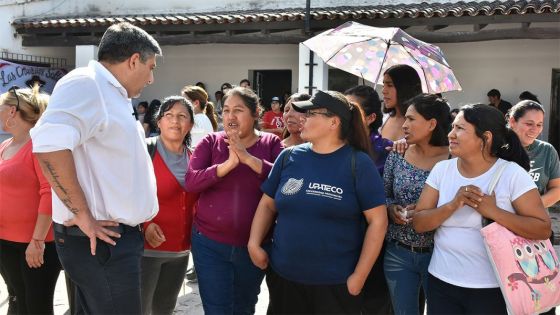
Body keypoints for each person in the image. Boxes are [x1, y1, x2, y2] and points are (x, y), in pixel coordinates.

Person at [30, 22, 161, 314]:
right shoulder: (88, 84)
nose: (151, 78)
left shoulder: (111, 92)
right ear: (133, 60)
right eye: (150, 67)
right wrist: (82, 215)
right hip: (100, 241)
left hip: (109, 240)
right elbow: (48, 146)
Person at [248, 90, 388, 314]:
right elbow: (267, 204)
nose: (302, 118)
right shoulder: (288, 157)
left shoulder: (359, 163)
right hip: (284, 279)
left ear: (334, 122)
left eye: (311, 113)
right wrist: (253, 243)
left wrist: (359, 277)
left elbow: (378, 222)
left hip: (335, 286)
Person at [413, 104, 551, 314]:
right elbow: (419, 223)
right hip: (441, 283)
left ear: (485, 138)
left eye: (460, 128)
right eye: (452, 127)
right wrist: (453, 205)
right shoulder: (442, 170)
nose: (451, 134)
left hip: (494, 288)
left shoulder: (512, 174)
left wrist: (493, 212)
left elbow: (542, 228)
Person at [185, 87, 283, 314]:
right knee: (217, 309)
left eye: (238, 110)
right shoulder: (211, 142)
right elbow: (191, 182)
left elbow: (284, 182)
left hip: (255, 244)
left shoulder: (271, 144)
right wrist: (227, 165)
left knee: (244, 307)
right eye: (226, 110)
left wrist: (247, 158)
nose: (230, 117)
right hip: (210, 244)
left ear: (256, 113)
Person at [383, 94, 451, 315]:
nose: (404, 125)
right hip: (398, 252)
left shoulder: (454, 159)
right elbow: (383, 195)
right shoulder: (398, 154)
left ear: (432, 124)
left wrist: (430, 211)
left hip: (441, 253)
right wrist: (391, 209)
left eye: (411, 119)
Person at [0, 85, 61, 314]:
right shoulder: (6, 145)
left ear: (13, 111)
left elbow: (50, 193)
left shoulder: (39, 146)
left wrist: (37, 242)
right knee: (16, 299)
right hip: (6, 243)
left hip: (35, 245)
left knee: (36, 306)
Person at [141, 96, 199, 315]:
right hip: (145, 251)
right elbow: (128, 193)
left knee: (165, 309)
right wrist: (146, 224)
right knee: (140, 309)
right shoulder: (145, 151)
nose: (175, 121)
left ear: (191, 125)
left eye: (182, 116)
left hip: (181, 251)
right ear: (159, 122)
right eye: (169, 115)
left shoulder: (196, 158)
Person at [508, 100, 560, 212]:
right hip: (500, 221)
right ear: (512, 121)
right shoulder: (497, 149)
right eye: (529, 124)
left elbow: (557, 189)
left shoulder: (547, 150)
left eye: (539, 125)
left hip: (535, 221)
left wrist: (530, 207)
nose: (535, 129)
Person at [345, 85, 393, 176]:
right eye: (342, 109)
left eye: (351, 111)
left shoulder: (387, 150)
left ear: (371, 117)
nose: (343, 115)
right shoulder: (333, 144)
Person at [380, 65, 423, 142]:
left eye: (390, 85)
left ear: (405, 88)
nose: (383, 91)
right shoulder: (382, 119)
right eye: (383, 85)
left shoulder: (421, 123)